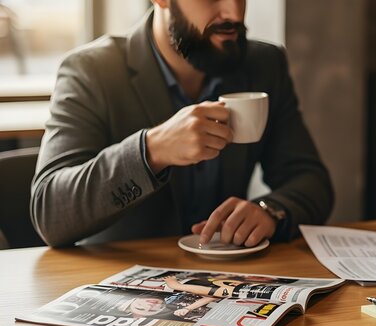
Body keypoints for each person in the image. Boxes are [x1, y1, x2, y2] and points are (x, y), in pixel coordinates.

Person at [30, 0, 333, 248]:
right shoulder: (92, 71)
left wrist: (270, 211)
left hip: (232, 288)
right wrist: (152, 150)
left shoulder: (264, 64)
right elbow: (50, 212)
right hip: (122, 295)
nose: (234, 13)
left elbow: (311, 181)